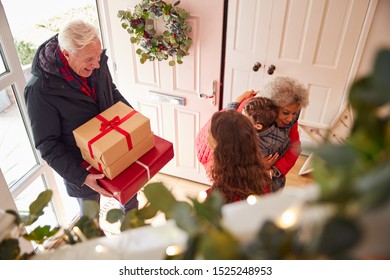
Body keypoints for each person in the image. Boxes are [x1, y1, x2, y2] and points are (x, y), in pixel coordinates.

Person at [24, 20, 138, 215]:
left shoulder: (95, 58)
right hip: (80, 168)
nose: (97, 64)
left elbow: (111, 92)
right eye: (89, 60)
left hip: (114, 151)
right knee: (90, 223)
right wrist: (82, 177)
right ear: (66, 54)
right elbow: (47, 144)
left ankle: (133, 238)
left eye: (98, 56)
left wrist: (134, 122)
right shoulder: (40, 90)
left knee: (131, 204)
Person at [206, 110, 271, 203]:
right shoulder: (262, 180)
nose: (206, 136)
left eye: (209, 132)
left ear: (220, 146)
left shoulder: (215, 198)